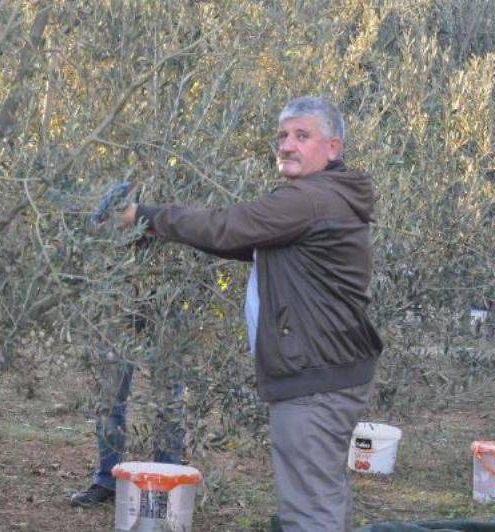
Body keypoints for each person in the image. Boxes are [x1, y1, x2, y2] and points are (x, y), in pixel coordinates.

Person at [118, 96, 383, 531]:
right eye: (282, 135)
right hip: (329, 370)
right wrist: (159, 230)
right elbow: (240, 240)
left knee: (309, 511)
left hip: (314, 377)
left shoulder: (310, 199)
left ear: (333, 148)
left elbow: (227, 226)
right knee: (320, 495)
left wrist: (144, 217)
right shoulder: (326, 198)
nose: (287, 145)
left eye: (302, 135)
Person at [70, 294, 186, 508]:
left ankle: (166, 487)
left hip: (170, 297)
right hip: (121, 296)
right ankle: (108, 481)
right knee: (110, 398)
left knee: (169, 402)